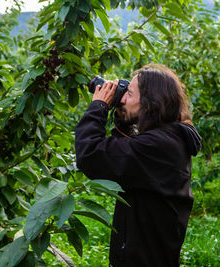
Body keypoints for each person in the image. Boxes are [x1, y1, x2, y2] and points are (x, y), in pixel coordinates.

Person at [75, 64, 201, 267]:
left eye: (129, 94)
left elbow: (89, 155)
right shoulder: (167, 139)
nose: (122, 98)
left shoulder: (158, 145)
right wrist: (124, 119)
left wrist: (98, 107)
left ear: (150, 103)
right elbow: (126, 154)